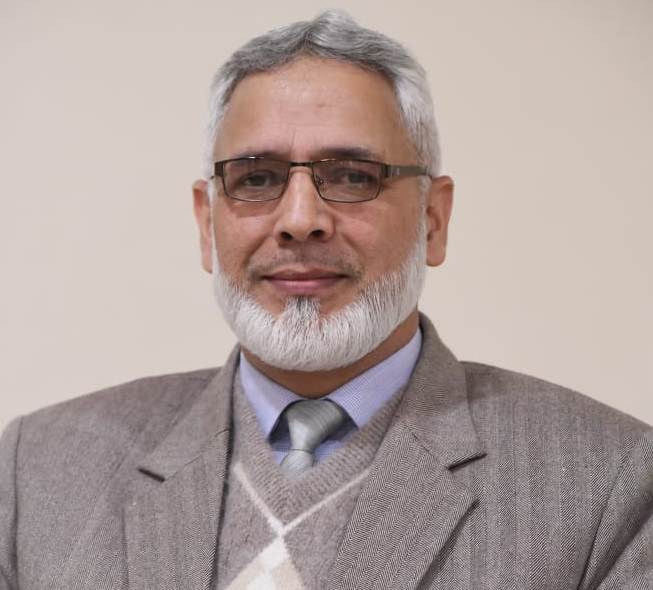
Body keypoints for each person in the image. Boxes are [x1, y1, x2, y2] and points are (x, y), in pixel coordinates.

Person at [0, 10, 651, 590]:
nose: (300, 220)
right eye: (257, 178)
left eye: (351, 176)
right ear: (206, 224)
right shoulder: (38, 470)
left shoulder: (607, 484)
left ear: (433, 220)